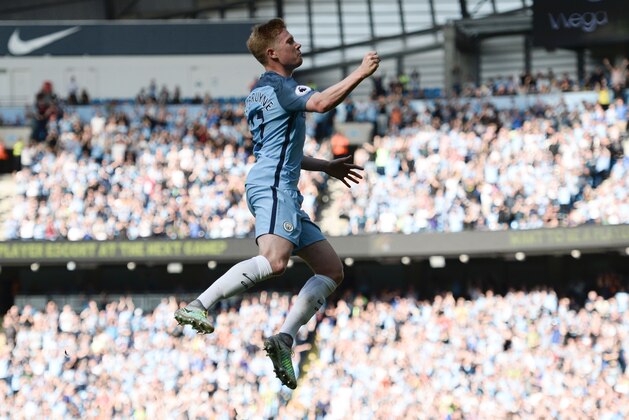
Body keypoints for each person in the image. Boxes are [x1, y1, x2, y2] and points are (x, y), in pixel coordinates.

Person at [174, 18, 380, 389]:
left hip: (282, 187)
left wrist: (325, 165)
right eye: (290, 41)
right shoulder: (282, 87)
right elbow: (319, 102)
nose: (298, 45)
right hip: (273, 187)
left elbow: (280, 148)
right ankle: (199, 304)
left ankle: (284, 337)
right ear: (273, 53)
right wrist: (360, 74)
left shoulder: (261, 92)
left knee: (331, 271)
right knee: (275, 261)